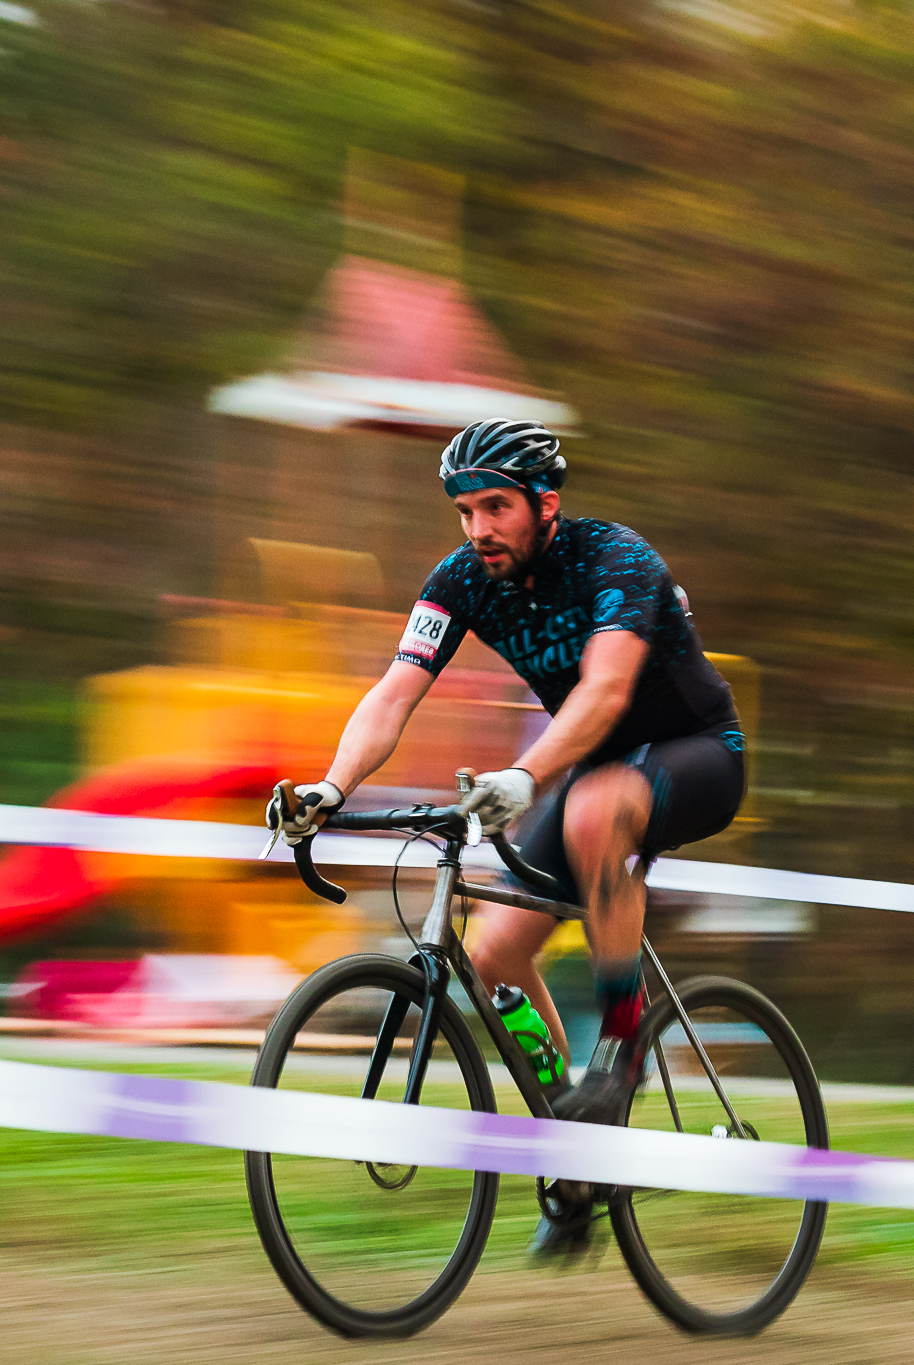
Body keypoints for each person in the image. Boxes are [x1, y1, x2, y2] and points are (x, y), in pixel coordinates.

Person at [266, 420, 744, 1145]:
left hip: (699, 751)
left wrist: (525, 775)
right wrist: (332, 788)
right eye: (465, 511)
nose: (478, 529)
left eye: (496, 507)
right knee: (495, 957)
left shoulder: (616, 558)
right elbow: (394, 693)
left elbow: (606, 691)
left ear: (545, 503)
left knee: (593, 809)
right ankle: (572, 1133)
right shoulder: (461, 580)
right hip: (596, 771)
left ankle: (621, 1053)